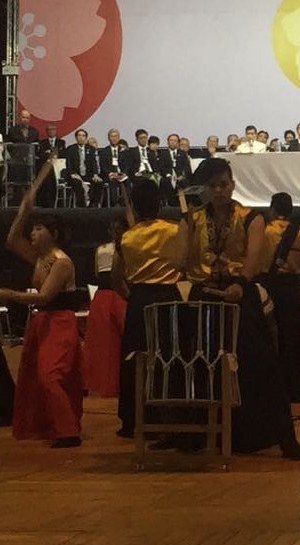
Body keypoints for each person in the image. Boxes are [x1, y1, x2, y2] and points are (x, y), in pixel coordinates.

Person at [181, 158, 300, 459]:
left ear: (232, 184)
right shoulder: (193, 219)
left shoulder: (251, 217)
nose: (219, 191)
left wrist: (240, 282)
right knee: (198, 363)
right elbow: (182, 261)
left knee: (263, 365)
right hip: (206, 295)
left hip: (240, 294)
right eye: (212, 186)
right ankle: (192, 435)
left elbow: (253, 259)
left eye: (223, 184)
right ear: (205, 189)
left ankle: (283, 437)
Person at [1, 187, 83, 448]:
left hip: (59, 322)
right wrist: (23, 211)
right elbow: (12, 240)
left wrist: (8, 294)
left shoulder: (61, 262)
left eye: (39, 229)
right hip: (42, 323)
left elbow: (44, 297)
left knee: (51, 375)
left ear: (54, 234)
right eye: (33, 229)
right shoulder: (40, 257)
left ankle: (68, 430)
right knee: (37, 378)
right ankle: (55, 426)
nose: (33, 233)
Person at [113, 179, 184, 437]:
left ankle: (134, 420)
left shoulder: (127, 237)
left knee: (136, 358)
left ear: (134, 205)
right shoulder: (175, 229)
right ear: (160, 203)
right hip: (168, 297)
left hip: (139, 300)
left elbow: (115, 276)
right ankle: (173, 418)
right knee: (170, 357)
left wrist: (131, 295)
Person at [258, 192, 300, 403]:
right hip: (291, 290)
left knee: (268, 337)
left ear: (272, 209)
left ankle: (270, 390)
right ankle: (296, 390)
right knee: (293, 339)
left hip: (267, 287)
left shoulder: (263, 230)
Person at [81, 217, 128, 397]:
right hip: (113, 293)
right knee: (109, 342)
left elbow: (96, 271)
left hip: (109, 294)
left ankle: (107, 382)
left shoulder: (104, 249)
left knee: (107, 343)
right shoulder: (113, 248)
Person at [66, 128, 105, 207]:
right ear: (76, 137)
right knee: (77, 183)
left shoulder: (91, 149)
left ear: (86, 138)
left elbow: (94, 163)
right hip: (75, 175)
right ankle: (81, 205)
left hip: (88, 174)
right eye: (79, 135)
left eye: (83, 136)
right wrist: (72, 173)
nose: (81, 137)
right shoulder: (71, 149)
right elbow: (68, 163)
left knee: (98, 182)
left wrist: (95, 174)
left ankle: (93, 204)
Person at [100, 129, 129, 206]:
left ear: (119, 138)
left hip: (121, 174)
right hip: (110, 175)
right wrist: (110, 174)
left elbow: (127, 164)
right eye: (112, 136)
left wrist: (124, 173)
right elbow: (103, 166)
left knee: (128, 182)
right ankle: (114, 204)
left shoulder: (124, 150)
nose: (114, 138)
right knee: (112, 182)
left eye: (116, 136)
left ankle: (127, 204)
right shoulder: (104, 151)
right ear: (108, 138)